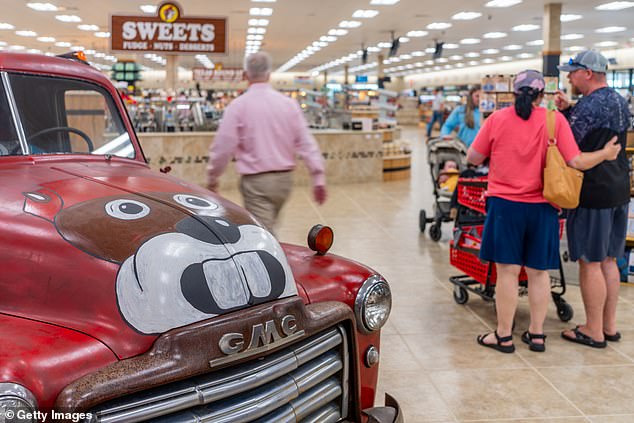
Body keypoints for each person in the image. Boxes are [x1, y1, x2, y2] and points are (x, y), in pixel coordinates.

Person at [467, 69, 621, 354]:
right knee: (539, 274)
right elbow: (575, 161)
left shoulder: (497, 119)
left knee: (508, 273)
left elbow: (473, 157)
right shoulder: (555, 120)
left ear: (514, 92)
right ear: (542, 95)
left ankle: (503, 336)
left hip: (505, 207)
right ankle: (536, 335)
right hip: (543, 208)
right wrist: (605, 154)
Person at [555, 50, 631, 348]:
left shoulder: (588, 106)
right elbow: (599, 127)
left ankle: (592, 330)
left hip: (592, 193)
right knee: (610, 260)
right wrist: (571, 106)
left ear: (587, 72)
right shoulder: (618, 100)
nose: (569, 78)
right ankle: (609, 326)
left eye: (572, 72)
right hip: (619, 190)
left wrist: (563, 113)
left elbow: (570, 147)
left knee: (589, 261)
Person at [207, 52, 327, 234]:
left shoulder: (239, 106)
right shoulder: (288, 104)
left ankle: (272, 262)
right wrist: (318, 176)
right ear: (269, 75)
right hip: (284, 182)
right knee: (268, 228)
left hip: (257, 184)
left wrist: (213, 177)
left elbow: (223, 145)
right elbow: (306, 142)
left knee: (265, 236)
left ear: (245, 75)